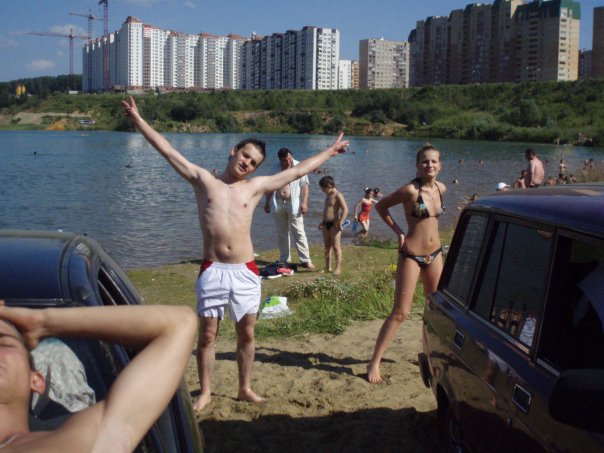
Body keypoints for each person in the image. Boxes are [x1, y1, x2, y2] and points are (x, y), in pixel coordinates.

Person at [121, 96, 348, 411]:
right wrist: (138, 120)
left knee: (247, 335)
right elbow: (168, 151)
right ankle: (205, 392)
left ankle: (244, 388)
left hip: (245, 271)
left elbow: (298, 171)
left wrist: (330, 151)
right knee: (207, 337)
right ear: (233, 151)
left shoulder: (254, 188)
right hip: (213, 269)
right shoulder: (203, 181)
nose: (247, 164)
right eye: (245, 156)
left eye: (253, 163)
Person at [0, 301, 197, 452]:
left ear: (36, 381)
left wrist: (41, 323)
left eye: (3, 342)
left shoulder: (75, 442)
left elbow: (179, 324)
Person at [367, 144, 446, 383]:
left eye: (433, 161)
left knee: (435, 309)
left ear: (440, 165)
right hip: (412, 255)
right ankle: (374, 362)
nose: (429, 165)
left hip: (435, 255)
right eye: (425, 161)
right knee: (401, 312)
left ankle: (429, 354)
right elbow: (380, 206)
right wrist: (399, 232)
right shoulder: (410, 191)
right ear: (417, 165)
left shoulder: (441, 188)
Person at [264, 148, 315, 269]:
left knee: (299, 231)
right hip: (278, 202)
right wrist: (267, 202)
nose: (288, 161)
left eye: (289, 158)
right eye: (285, 160)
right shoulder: (275, 169)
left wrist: (304, 202)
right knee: (282, 232)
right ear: (280, 160)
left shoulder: (299, 166)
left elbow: (305, 186)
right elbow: (269, 187)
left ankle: (305, 260)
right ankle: (284, 258)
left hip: (294, 202)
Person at [318, 176, 348, 275]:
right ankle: (327, 268)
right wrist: (322, 222)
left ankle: (337, 268)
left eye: (323, 189)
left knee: (336, 247)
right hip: (325, 224)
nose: (322, 191)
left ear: (329, 186)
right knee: (327, 246)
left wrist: (340, 222)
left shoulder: (338, 195)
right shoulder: (328, 194)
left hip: (334, 225)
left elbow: (345, 209)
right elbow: (327, 209)